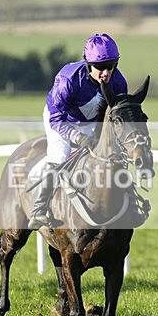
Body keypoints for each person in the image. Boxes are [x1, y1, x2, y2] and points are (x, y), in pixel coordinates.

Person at [28, 33, 128, 230]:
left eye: (112, 65)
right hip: (61, 119)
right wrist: (77, 136)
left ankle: (130, 202)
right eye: (100, 67)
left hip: (90, 121)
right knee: (60, 155)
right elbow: (56, 119)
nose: (106, 72)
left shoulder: (118, 82)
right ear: (88, 64)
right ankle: (38, 210)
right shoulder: (68, 79)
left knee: (114, 153)